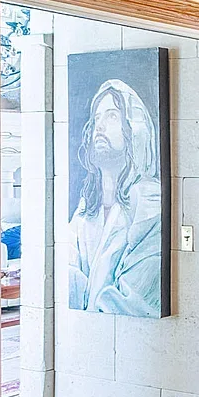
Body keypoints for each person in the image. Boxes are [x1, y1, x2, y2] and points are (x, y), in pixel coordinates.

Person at [67, 78, 162, 317]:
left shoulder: (149, 202)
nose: (99, 126)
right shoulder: (86, 207)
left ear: (133, 127)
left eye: (111, 116)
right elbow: (67, 273)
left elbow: (135, 295)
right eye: (97, 118)